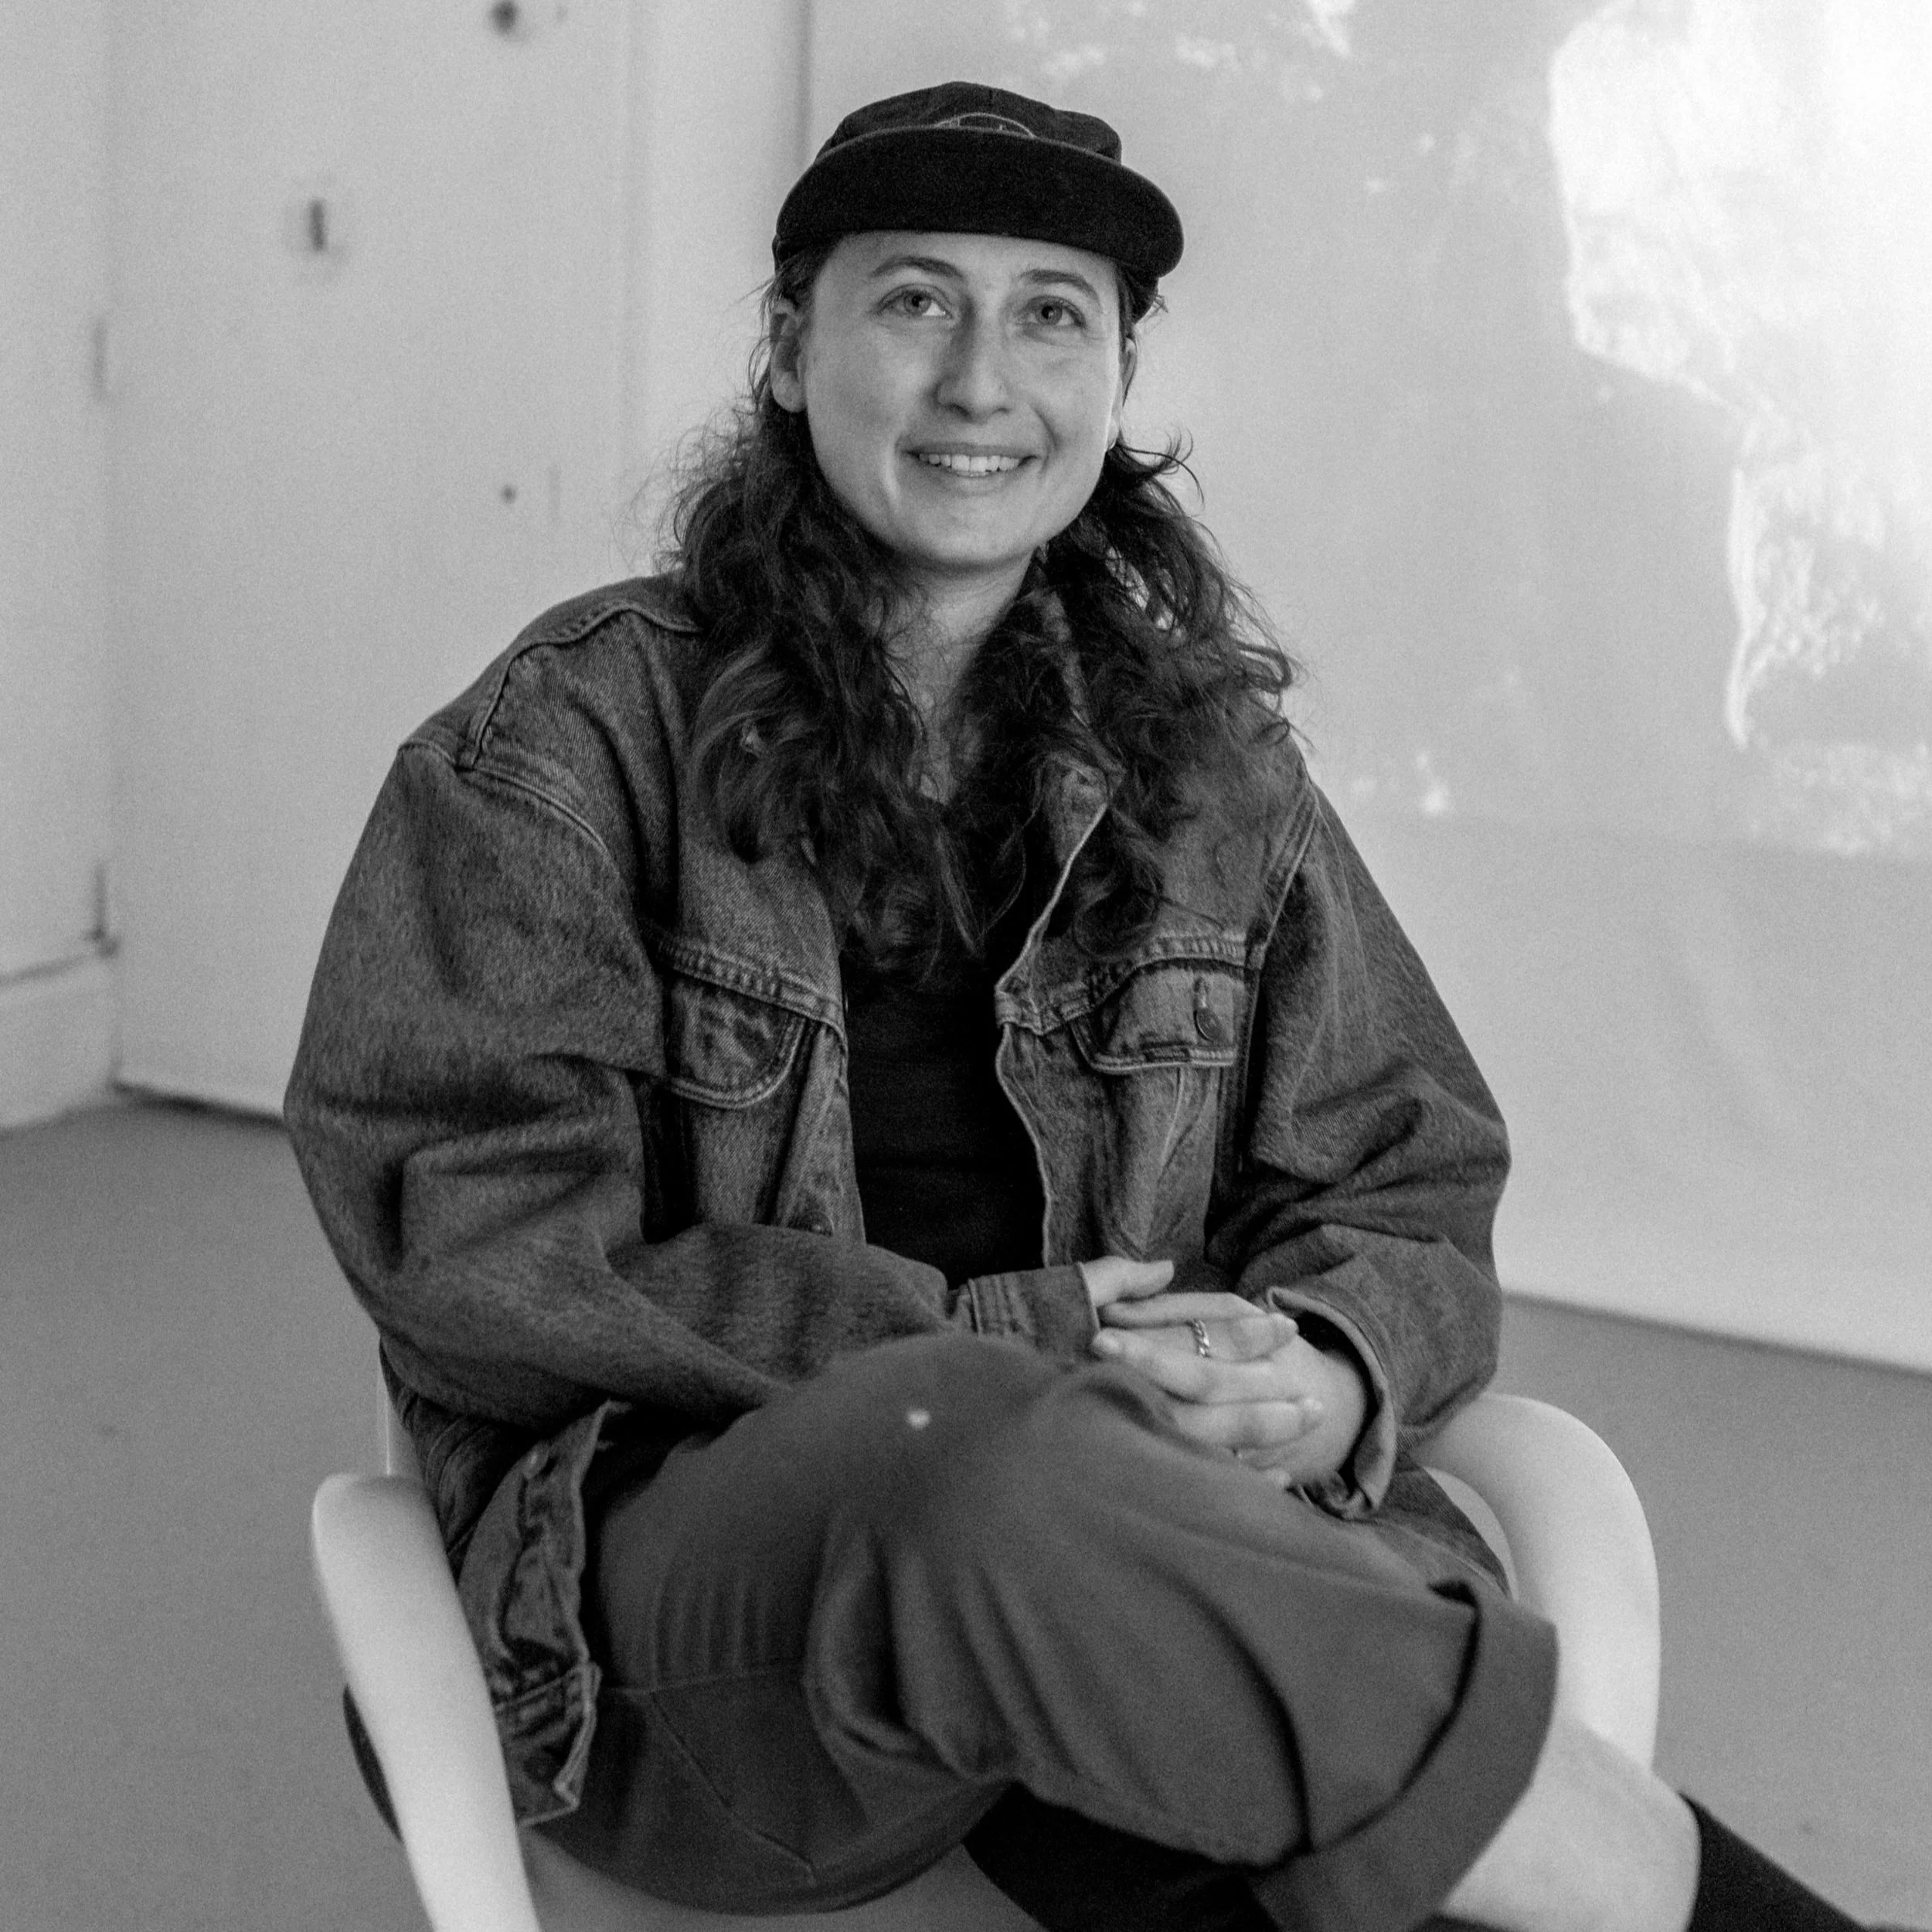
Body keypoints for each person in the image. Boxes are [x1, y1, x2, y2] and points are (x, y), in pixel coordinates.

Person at [286, 81, 1906, 1932]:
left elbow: (1405, 1170)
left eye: (1050, 312)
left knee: (1188, 1652)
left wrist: (1328, 1360)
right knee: (974, 1442)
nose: (983, 379)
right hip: (714, 1644)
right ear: (789, 345)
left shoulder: (1210, 767)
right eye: (912, 301)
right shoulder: (556, 754)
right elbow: (477, 1255)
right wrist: (1002, 1332)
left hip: (1128, 1592)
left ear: (1116, 371)